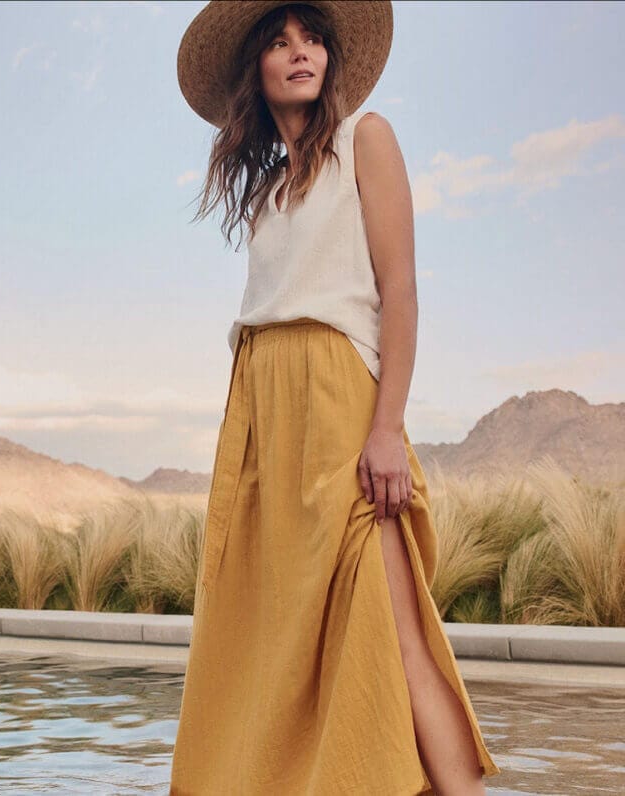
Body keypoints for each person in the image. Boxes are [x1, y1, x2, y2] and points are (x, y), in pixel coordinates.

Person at [170, 2, 502, 794]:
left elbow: (402, 294)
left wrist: (385, 431)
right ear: (255, 66)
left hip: (341, 414)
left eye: (311, 38)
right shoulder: (267, 199)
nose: (299, 53)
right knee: (273, 639)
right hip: (265, 429)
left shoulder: (367, 139)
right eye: (280, 42)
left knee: (394, 624)